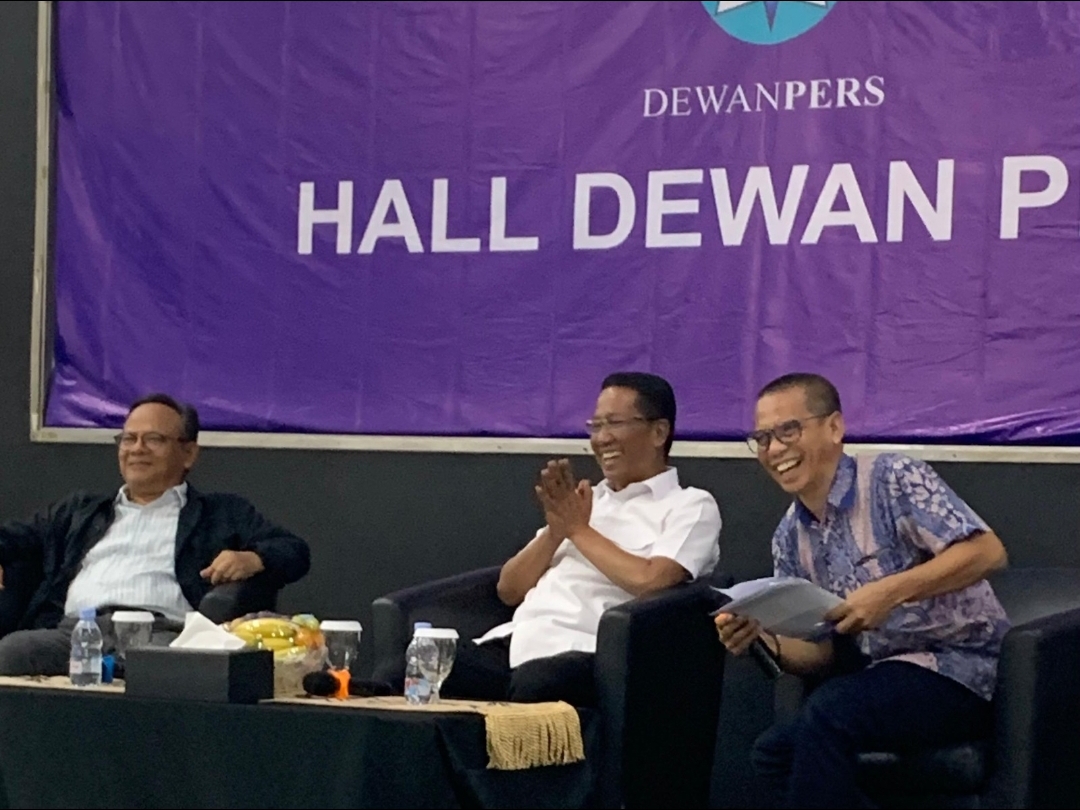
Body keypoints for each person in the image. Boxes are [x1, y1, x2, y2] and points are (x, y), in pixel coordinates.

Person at [715, 372, 1010, 809]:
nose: (774, 449)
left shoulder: (891, 478)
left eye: (788, 431)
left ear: (834, 427)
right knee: (775, 753)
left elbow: (988, 552)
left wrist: (890, 592)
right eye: (761, 438)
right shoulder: (789, 537)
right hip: (883, 676)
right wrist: (763, 638)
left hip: (962, 668)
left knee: (830, 712)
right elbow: (820, 653)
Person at [441, 371, 722, 707]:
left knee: (536, 684)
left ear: (659, 432)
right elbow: (509, 590)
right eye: (595, 426)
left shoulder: (690, 505)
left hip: (589, 654)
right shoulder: (586, 501)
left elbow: (652, 579)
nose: (602, 439)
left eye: (614, 424)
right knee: (419, 667)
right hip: (516, 642)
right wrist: (556, 532)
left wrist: (578, 530)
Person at [0, 393, 311, 676]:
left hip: (163, 635)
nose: (137, 449)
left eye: (153, 439)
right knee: (11, 653)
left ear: (188, 453)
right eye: (128, 438)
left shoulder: (222, 514)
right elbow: (13, 537)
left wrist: (254, 557)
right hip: (78, 633)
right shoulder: (79, 511)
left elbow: (293, 550)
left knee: (175, 669)